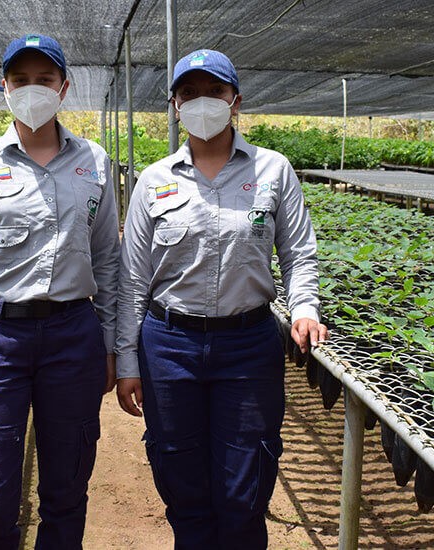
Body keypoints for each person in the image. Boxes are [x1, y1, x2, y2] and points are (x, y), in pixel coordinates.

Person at [114, 48, 328, 549]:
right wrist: (127, 359)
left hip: (248, 345)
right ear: (174, 105)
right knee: (181, 485)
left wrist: (304, 308)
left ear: (235, 101)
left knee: (244, 488)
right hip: (168, 346)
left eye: (215, 92)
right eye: (189, 94)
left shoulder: (273, 171)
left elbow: (298, 253)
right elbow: (131, 281)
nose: (202, 103)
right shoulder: (155, 180)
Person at [0, 33, 119, 550]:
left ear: (64, 87)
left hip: (71, 334)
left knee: (66, 491)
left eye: (44, 80)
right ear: (5, 87)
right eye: (21, 81)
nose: (32, 90)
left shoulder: (95, 162)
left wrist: (108, 345)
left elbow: (108, 259)